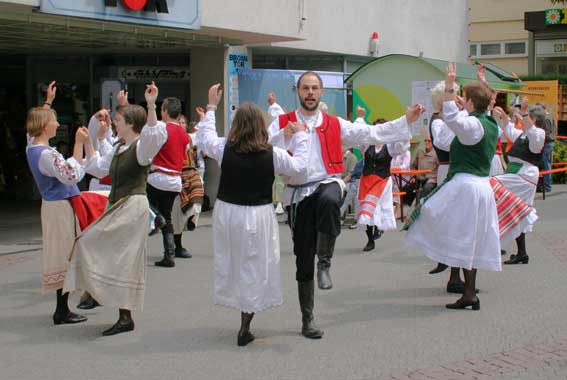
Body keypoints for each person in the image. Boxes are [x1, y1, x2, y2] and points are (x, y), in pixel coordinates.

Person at [268, 70, 423, 338]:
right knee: (302, 259)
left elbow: (371, 132)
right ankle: (308, 319)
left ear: (321, 92)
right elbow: (264, 147)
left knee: (330, 200)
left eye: (315, 88)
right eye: (305, 88)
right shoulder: (283, 121)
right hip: (296, 193)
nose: (310, 93)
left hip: (326, 181)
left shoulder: (334, 123)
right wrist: (284, 133)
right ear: (297, 91)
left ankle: (325, 263)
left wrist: (404, 120)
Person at [198, 84, 309, 346]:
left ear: (237, 125)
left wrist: (212, 106)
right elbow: (299, 167)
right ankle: (245, 323)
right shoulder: (272, 154)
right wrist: (301, 137)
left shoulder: (226, 148)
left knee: (233, 261)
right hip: (258, 213)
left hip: (228, 211)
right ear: (261, 124)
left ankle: (242, 315)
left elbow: (205, 138)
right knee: (256, 265)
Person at [64, 83, 165, 336]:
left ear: (131, 123)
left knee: (124, 259)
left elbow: (154, 135)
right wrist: (89, 142)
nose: (114, 123)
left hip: (133, 206)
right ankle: (102, 296)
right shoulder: (120, 147)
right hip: (118, 205)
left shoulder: (142, 148)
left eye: (119, 120)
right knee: (93, 243)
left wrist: (151, 104)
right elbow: (97, 167)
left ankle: (123, 315)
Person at [406, 63, 501, 310]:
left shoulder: (472, 127)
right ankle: (466, 290)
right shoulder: (489, 122)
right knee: (470, 237)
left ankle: (465, 288)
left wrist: (449, 84)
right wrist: (476, 89)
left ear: (470, 103)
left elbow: (450, 116)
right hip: (481, 186)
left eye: (466, 99)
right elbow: (481, 106)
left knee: (439, 219)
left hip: (467, 185)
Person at [25, 81, 102, 326]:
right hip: (59, 207)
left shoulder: (33, 148)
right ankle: (61, 310)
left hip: (55, 205)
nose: (57, 124)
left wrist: (48, 101)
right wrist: (79, 144)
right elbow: (71, 175)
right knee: (64, 255)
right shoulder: (46, 154)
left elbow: (30, 133)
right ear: (44, 125)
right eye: (53, 120)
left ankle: (67, 306)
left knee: (65, 253)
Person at [493, 99, 545, 265]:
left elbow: (530, 130)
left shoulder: (538, 135)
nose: (523, 120)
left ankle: (498, 241)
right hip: (516, 173)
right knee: (517, 211)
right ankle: (522, 252)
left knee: (490, 184)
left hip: (524, 176)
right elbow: (509, 129)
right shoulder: (524, 135)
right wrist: (502, 117)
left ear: (533, 119)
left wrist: (523, 111)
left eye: (527, 117)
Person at [144, 88, 191, 268]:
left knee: (142, 203)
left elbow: (150, 147)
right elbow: (184, 151)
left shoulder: (161, 128)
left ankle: (156, 217)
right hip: (174, 181)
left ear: (164, 111)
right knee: (169, 217)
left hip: (157, 177)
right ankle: (169, 255)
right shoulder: (183, 134)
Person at [355, 109, 410, 252]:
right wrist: (360, 118)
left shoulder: (391, 146)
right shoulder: (367, 144)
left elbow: (403, 144)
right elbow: (358, 134)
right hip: (366, 180)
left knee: (375, 208)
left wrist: (406, 123)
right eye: (378, 128)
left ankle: (379, 228)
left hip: (382, 182)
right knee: (365, 210)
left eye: (383, 128)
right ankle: (370, 239)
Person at [170, 114, 204, 258]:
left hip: (191, 172)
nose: (181, 124)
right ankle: (176, 246)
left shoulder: (190, 137)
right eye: (179, 122)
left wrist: (203, 117)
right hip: (177, 175)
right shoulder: (170, 138)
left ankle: (192, 219)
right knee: (176, 213)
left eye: (183, 122)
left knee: (198, 194)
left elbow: (201, 133)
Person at [267, 92, 286, 215]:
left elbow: (278, 117)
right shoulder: (276, 129)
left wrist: (273, 103)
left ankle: (280, 203)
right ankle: (277, 202)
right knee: (275, 180)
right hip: (275, 153)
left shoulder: (281, 125)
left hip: (279, 153)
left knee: (279, 181)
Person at [410, 134, 438, 203]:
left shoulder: (436, 154)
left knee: (426, 189)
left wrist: (434, 179)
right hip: (419, 179)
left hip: (431, 180)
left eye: (429, 141)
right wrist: (413, 176)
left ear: (433, 142)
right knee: (407, 188)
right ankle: (413, 208)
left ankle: (419, 208)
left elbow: (440, 169)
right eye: (425, 140)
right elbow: (413, 165)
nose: (427, 142)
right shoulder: (420, 151)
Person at [535, 102, 555, 192]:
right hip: (548, 142)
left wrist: (539, 135)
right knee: (546, 164)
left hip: (547, 143)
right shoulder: (549, 116)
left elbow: (547, 132)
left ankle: (547, 186)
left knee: (546, 164)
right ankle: (546, 186)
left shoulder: (546, 118)